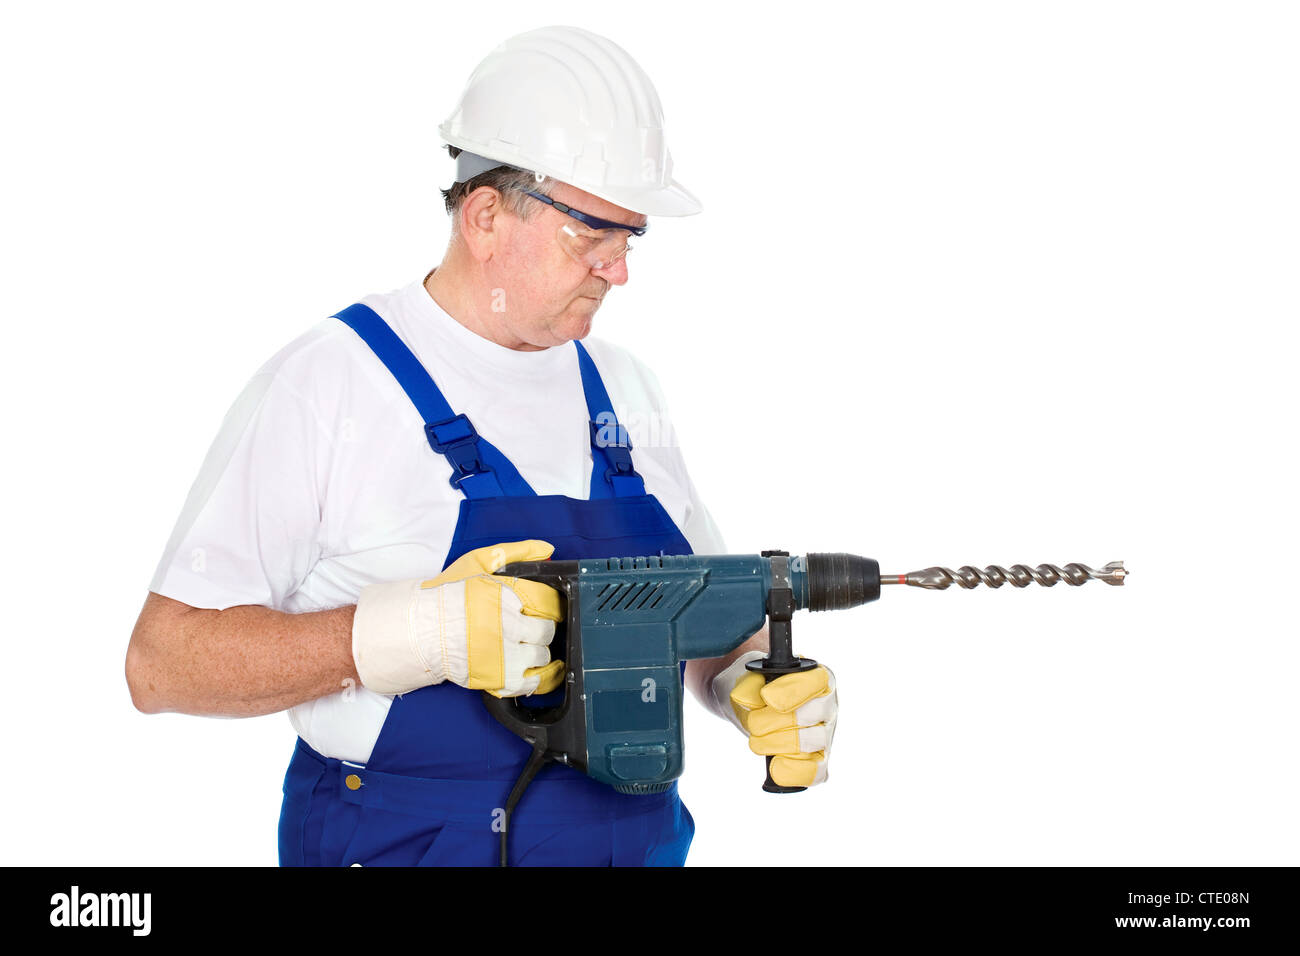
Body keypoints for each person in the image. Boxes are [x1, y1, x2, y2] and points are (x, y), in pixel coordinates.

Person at [126, 24, 837, 867]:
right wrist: (414, 635)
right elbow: (164, 663)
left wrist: (746, 678)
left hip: (630, 846)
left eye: (631, 236)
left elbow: (695, 606)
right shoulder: (332, 383)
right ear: (487, 215)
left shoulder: (626, 389)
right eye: (591, 233)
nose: (619, 270)